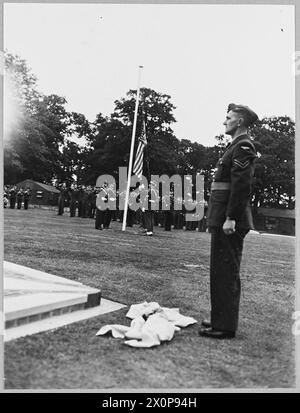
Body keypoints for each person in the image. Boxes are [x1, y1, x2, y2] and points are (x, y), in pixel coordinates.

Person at [199, 103, 258, 339]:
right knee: (219, 270)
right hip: (223, 216)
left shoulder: (243, 146)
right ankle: (218, 319)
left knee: (226, 271)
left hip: (229, 218)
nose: (224, 122)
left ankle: (224, 326)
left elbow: (241, 186)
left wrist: (231, 217)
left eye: (229, 118)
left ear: (240, 122)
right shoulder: (234, 146)